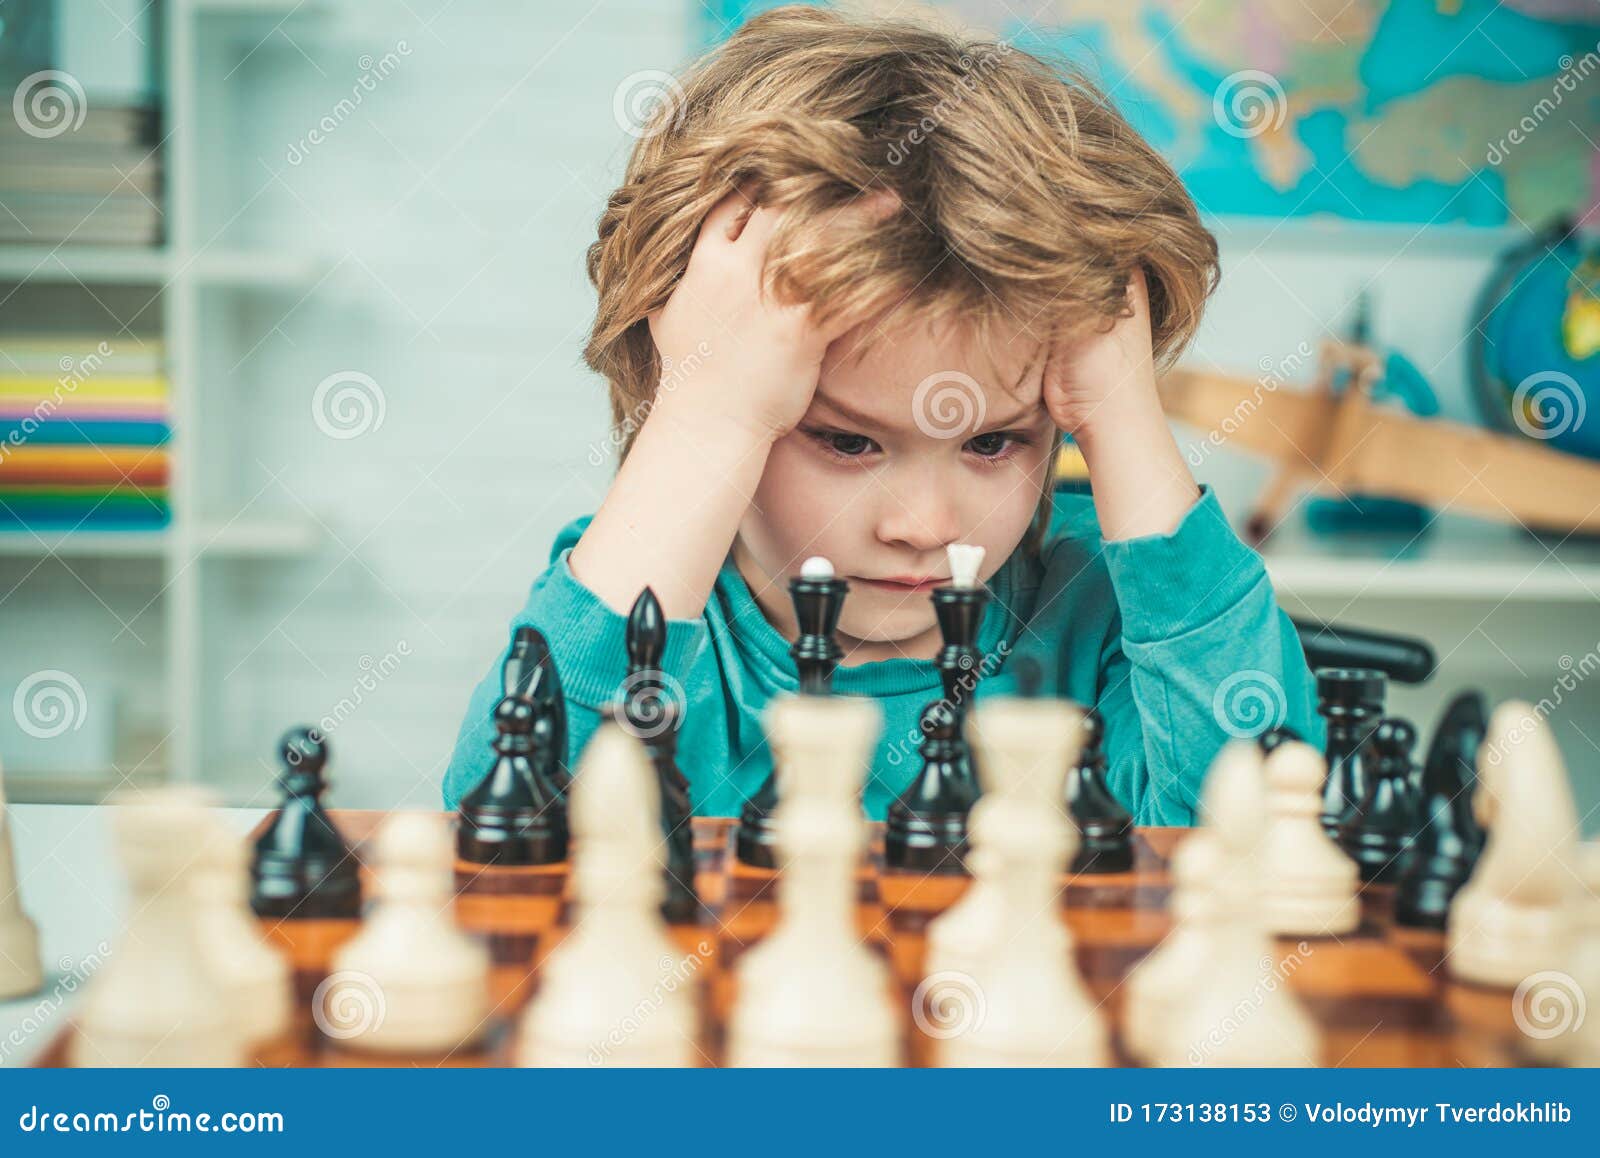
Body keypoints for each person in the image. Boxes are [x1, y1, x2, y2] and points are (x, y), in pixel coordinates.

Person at [443, 5, 1318, 825]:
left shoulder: (1096, 615)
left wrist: (1125, 416)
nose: (924, 526)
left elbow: (1253, 842)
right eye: (848, 440)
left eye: (993, 441)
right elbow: (507, 841)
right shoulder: (653, 601)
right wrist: (701, 419)